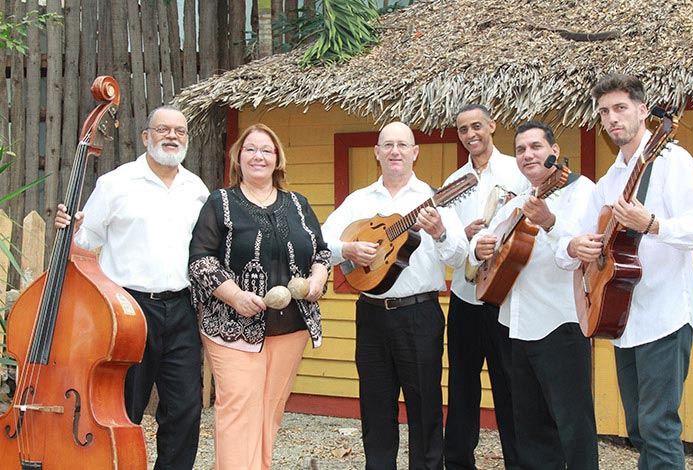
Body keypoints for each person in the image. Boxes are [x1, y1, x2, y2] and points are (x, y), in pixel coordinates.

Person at [564, 73, 693, 469]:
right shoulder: (610, 180)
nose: (612, 118)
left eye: (620, 108)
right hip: (622, 317)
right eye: (604, 112)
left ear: (643, 110)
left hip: (665, 318)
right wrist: (576, 246)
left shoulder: (672, 161)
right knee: (639, 427)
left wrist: (653, 224)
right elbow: (581, 238)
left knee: (658, 425)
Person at [55, 105, 208, 469]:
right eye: (162, 129)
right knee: (124, 408)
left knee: (184, 410)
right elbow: (84, 243)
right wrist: (70, 227)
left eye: (180, 131)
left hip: (183, 310)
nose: (172, 136)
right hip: (127, 311)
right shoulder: (115, 184)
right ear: (146, 137)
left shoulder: (197, 190)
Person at [321, 122, 468, 470]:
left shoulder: (433, 199)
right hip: (371, 314)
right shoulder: (358, 201)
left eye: (403, 145)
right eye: (387, 145)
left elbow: (460, 257)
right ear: (377, 152)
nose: (395, 151)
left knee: (425, 405)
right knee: (375, 405)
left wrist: (441, 232)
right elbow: (321, 244)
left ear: (415, 152)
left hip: (419, 315)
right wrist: (349, 248)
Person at [188, 123, 331, 470]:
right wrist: (234, 295)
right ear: (238, 157)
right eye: (250, 149)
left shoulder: (298, 204)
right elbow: (200, 260)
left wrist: (317, 278)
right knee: (239, 410)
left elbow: (322, 253)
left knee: (269, 411)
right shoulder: (221, 202)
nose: (258, 156)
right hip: (232, 328)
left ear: (277, 159)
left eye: (266, 150)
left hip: (290, 327)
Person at [472, 121, 599, 469]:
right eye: (521, 150)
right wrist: (479, 247)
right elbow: (484, 243)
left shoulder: (582, 190)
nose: (528, 155)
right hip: (516, 325)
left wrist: (550, 222)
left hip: (561, 323)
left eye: (536, 147)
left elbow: (578, 250)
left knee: (572, 423)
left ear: (554, 152)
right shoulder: (521, 199)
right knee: (528, 426)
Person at [442, 104, 528, 470]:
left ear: (492, 125)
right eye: (463, 129)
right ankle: (459, 462)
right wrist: (462, 237)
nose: (471, 134)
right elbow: (445, 247)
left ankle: (519, 463)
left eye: (477, 126)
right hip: (464, 298)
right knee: (462, 385)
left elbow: (528, 225)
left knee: (510, 386)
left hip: (504, 296)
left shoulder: (517, 171)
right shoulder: (453, 182)